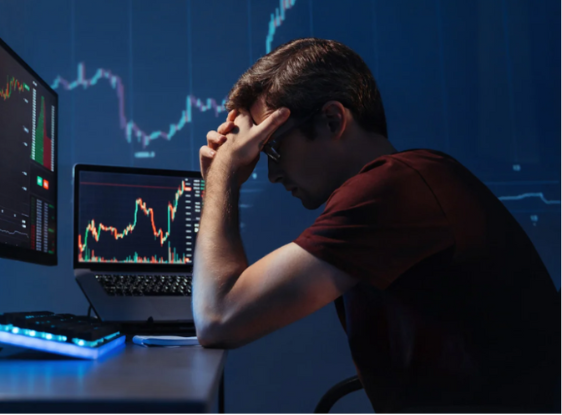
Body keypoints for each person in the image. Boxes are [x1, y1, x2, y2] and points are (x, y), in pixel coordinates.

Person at [193, 38, 560, 413]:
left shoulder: (391, 189)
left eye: (271, 147)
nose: (269, 173)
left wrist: (222, 176)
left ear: (333, 120)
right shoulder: (413, 177)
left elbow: (219, 318)